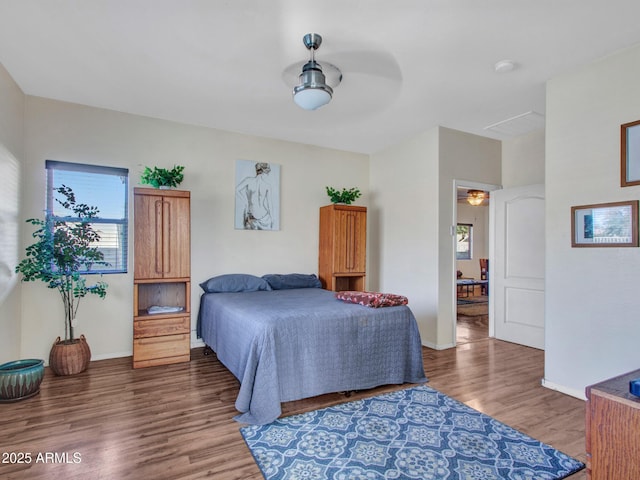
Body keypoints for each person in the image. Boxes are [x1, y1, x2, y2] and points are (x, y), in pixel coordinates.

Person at [236, 162, 274, 230]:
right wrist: (272, 219)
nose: (267, 175)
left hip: (256, 217)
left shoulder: (248, 180)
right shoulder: (267, 186)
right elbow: (270, 205)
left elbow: (237, 190)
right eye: (267, 172)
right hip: (258, 217)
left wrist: (246, 202)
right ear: (263, 172)